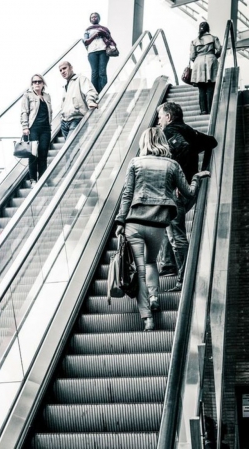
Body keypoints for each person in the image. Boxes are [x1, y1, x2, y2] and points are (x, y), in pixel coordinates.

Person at [115, 127, 210, 331]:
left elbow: (127, 194)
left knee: (140, 270)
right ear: (162, 141)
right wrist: (196, 178)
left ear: (143, 143)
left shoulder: (135, 163)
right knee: (151, 263)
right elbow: (188, 192)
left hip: (134, 223)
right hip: (158, 224)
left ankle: (147, 318)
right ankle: (154, 296)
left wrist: (120, 221)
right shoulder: (172, 165)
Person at [158, 101, 217, 291]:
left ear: (168, 117)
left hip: (178, 191)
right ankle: (168, 264)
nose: (159, 121)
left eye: (160, 117)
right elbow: (211, 142)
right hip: (190, 188)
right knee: (166, 225)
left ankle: (184, 279)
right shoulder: (187, 130)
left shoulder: (169, 132)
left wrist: (178, 180)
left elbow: (182, 148)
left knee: (177, 235)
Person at [20, 74, 53, 187]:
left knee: (43, 154)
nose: (37, 83)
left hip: (46, 129)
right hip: (33, 128)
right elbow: (24, 112)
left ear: (43, 83)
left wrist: (50, 126)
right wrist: (25, 127)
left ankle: (43, 179)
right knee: (33, 155)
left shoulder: (47, 96)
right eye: (34, 82)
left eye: (39, 81)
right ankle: (33, 179)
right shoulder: (28, 96)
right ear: (32, 84)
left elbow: (50, 112)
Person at [58, 61, 98, 140]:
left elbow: (90, 91)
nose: (62, 71)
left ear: (71, 68)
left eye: (64, 68)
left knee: (69, 149)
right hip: (64, 122)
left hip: (77, 119)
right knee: (72, 150)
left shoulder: (81, 79)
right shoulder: (66, 86)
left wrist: (90, 101)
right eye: (60, 70)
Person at [190, 21, 222, 115]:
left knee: (201, 89)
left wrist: (197, 60)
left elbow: (192, 56)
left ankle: (203, 110)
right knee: (210, 87)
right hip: (211, 60)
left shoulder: (194, 41)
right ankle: (211, 109)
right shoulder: (213, 38)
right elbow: (219, 49)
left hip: (198, 62)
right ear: (208, 29)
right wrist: (215, 56)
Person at [83, 12, 116, 94]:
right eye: (92, 17)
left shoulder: (104, 29)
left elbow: (110, 40)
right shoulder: (88, 30)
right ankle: (94, 93)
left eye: (96, 16)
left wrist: (103, 33)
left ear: (99, 18)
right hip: (92, 52)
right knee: (94, 73)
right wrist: (95, 35)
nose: (94, 18)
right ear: (90, 20)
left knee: (102, 72)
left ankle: (104, 92)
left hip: (103, 51)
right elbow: (86, 42)